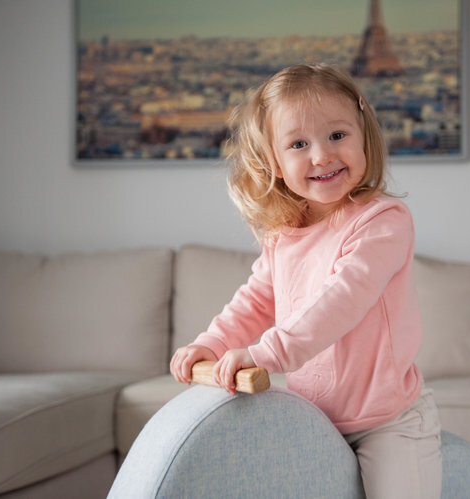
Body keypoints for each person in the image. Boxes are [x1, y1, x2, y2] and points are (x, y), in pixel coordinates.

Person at [170, 63, 442, 498]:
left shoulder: (383, 222)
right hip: (313, 418)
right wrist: (214, 342)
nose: (321, 155)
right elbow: (256, 300)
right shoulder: (284, 234)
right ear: (274, 163)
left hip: (389, 423)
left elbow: (340, 302)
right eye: (299, 144)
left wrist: (267, 353)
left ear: (364, 135)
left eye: (337, 135)